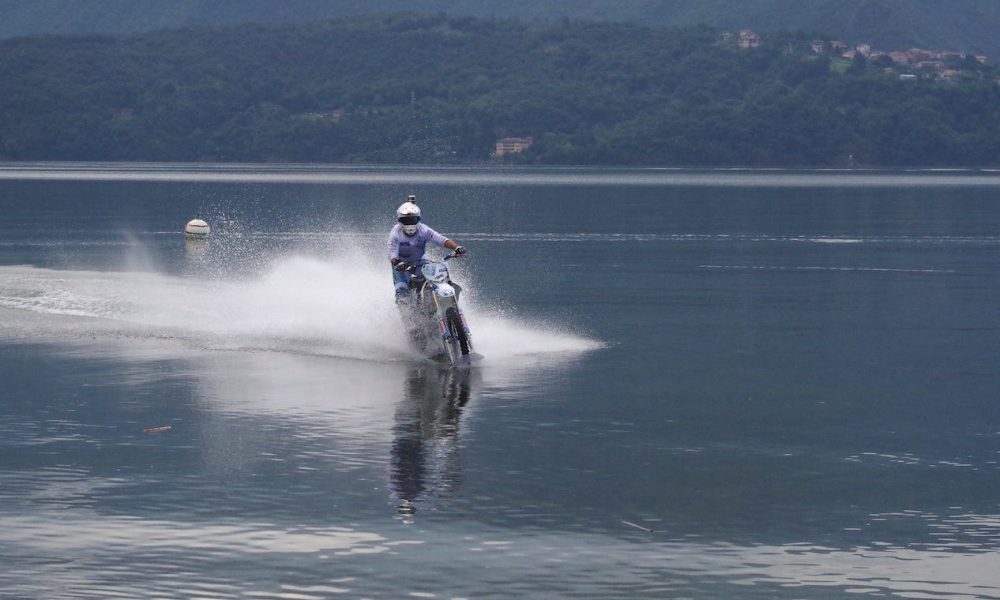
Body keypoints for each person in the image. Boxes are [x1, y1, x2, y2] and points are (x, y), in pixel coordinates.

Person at [387, 195, 466, 303]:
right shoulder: (395, 233)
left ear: (418, 219)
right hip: (400, 265)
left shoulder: (424, 230)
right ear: (400, 220)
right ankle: (407, 316)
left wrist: (457, 247)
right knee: (402, 294)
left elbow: (441, 240)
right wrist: (397, 262)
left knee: (434, 279)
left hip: (419, 260)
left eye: (413, 220)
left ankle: (433, 301)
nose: (410, 223)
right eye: (406, 220)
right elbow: (392, 253)